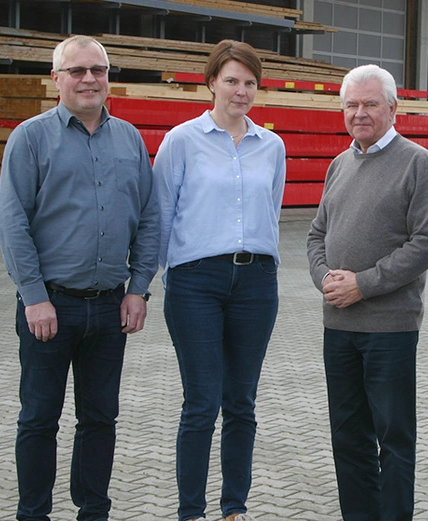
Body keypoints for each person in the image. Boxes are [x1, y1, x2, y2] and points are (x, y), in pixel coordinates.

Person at [0, 35, 159, 521]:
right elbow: (12, 223)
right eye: (78, 71)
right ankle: (34, 514)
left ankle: (93, 511)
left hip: (111, 308)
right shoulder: (30, 137)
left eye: (98, 70)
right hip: (51, 307)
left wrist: (138, 289)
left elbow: (149, 218)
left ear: (109, 77)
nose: (89, 79)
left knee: (100, 419)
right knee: (39, 419)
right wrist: (34, 297)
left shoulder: (129, 139)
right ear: (57, 79)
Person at [152, 39, 286, 521]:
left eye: (250, 83)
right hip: (196, 283)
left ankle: (235, 509)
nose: (241, 90)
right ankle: (192, 511)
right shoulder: (181, 140)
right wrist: (150, 282)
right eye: (232, 80)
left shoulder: (272, 146)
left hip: (256, 284)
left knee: (242, 403)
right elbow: (161, 216)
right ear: (211, 83)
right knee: (201, 403)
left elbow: (270, 211)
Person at [306, 64, 428, 521]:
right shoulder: (339, 165)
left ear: (392, 108)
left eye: (370, 104)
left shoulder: (416, 161)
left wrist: (363, 285)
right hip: (339, 327)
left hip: (390, 329)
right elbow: (314, 236)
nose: (359, 112)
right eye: (352, 104)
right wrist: (326, 278)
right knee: (348, 438)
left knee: (394, 440)